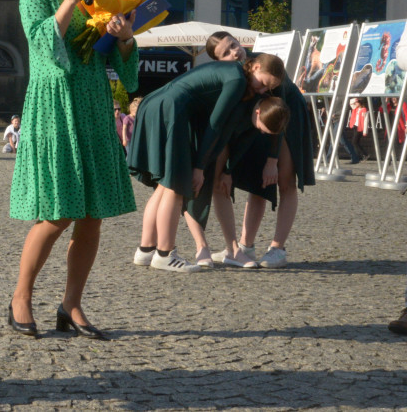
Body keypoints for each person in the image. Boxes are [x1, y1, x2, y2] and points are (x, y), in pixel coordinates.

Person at [9, 0, 138, 341]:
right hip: (54, 104)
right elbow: (44, 47)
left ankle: (72, 303)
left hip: (92, 103)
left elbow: (123, 71)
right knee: (58, 212)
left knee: (92, 215)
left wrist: (123, 36)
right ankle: (21, 298)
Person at [128, 54, 286, 273]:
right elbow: (216, 124)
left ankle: (145, 250)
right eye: (262, 84)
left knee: (164, 185)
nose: (260, 91)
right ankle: (165, 254)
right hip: (173, 108)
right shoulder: (238, 80)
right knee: (176, 186)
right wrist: (200, 168)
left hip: (156, 103)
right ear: (256, 67)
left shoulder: (233, 72)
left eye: (266, 90)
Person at [204, 31, 316, 269]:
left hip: (288, 120)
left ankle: (278, 248)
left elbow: (279, 117)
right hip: (258, 123)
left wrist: (272, 160)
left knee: (284, 180)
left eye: (234, 45)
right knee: (258, 183)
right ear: (218, 61)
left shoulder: (263, 66)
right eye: (226, 53)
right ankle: (245, 246)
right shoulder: (233, 73)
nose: (234, 52)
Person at [348, 97, 369, 161]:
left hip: (360, 127)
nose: (355, 103)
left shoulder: (364, 110)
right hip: (355, 126)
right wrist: (355, 99)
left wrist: (365, 131)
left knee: (354, 142)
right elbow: (351, 102)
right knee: (356, 142)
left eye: (357, 102)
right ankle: (363, 155)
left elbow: (366, 121)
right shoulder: (355, 109)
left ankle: (362, 155)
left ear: (360, 103)